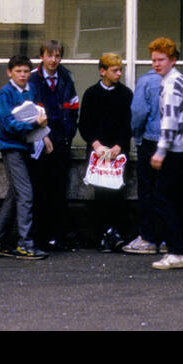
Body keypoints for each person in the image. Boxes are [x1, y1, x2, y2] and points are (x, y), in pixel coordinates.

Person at [0, 54, 50, 261]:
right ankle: (24, 245)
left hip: (25, 147)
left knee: (15, 195)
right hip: (12, 148)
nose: (23, 75)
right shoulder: (5, 93)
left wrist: (43, 134)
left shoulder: (29, 91)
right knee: (26, 195)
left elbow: (31, 116)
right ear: (9, 72)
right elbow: (7, 124)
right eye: (18, 71)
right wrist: (34, 126)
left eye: (25, 72)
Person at [147, 37, 183, 270]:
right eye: (154, 60)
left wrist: (160, 151)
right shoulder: (181, 80)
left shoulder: (170, 85)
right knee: (178, 198)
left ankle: (176, 251)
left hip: (176, 148)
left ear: (172, 60)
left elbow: (169, 121)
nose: (156, 64)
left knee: (165, 198)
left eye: (161, 60)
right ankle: (180, 249)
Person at [27, 39, 79, 251]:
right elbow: (29, 110)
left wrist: (67, 136)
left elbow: (73, 107)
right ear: (42, 56)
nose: (53, 60)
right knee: (40, 190)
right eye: (49, 55)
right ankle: (39, 238)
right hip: (40, 143)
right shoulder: (32, 79)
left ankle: (57, 237)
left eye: (57, 56)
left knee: (59, 190)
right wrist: (42, 135)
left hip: (61, 142)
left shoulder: (66, 77)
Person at [77, 53, 133, 252]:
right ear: (103, 71)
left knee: (117, 191)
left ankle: (114, 231)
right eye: (115, 70)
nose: (119, 74)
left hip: (118, 152)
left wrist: (119, 146)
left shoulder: (126, 94)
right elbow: (84, 123)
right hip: (97, 151)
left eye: (120, 70)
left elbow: (129, 124)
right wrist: (96, 145)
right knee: (100, 192)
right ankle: (104, 233)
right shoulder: (91, 94)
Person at [122, 60, 164, 255]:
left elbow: (138, 112)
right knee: (166, 191)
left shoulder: (146, 81)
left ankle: (147, 238)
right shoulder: (180, 81)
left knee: (147, 190)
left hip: (149, 140)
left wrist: (137, 135)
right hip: (172, 143)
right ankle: (167, 238)